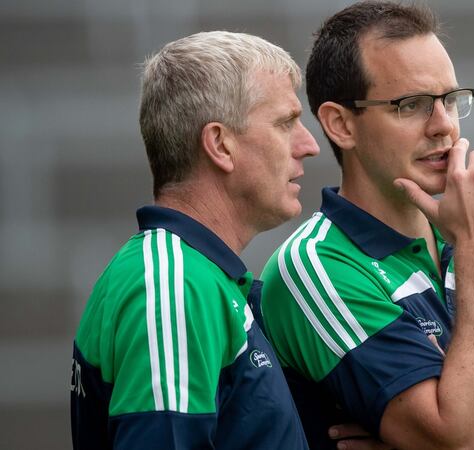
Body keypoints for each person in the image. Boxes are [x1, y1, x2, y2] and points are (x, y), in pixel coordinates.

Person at [260, 2, 474, 449]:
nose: (444, 127)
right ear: (341, 124)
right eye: (411, 105)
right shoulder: (315, 268)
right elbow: (469, 442)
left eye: (451, 100)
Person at [69, 31, 322, 449]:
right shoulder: (173, 288)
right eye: (285, 123)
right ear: (220, 145)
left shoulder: (195, 278)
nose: (309, 145)